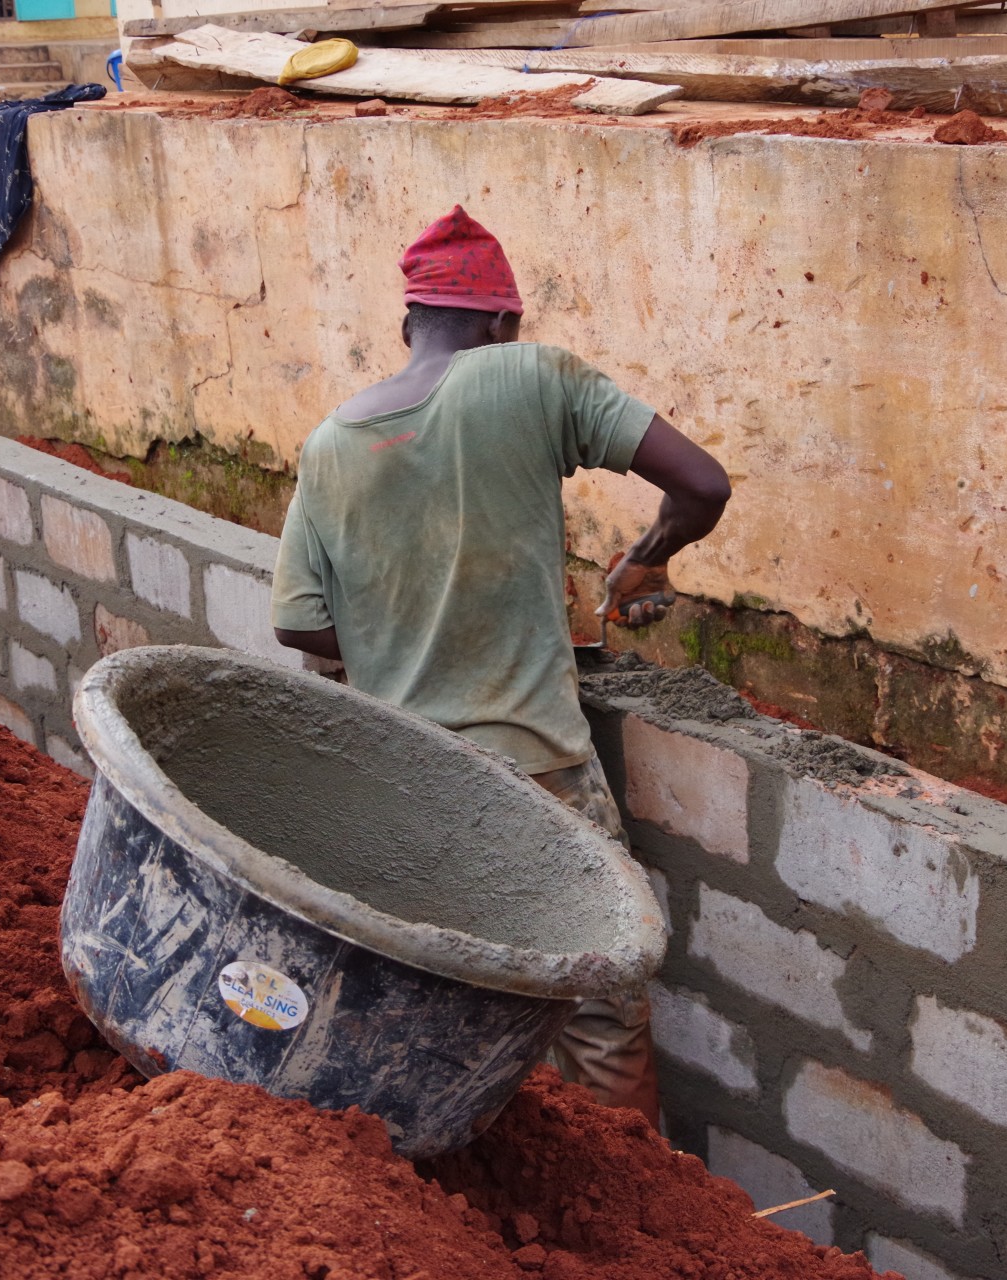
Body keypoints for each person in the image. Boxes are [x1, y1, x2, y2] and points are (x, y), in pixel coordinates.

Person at [271, 207, 732, 1125]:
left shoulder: (329, 445)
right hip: (539, 778)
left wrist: (405, 640)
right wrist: (647, 560)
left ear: (408, 324)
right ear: (502, 322)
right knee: (599, 1018)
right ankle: (632, 1203)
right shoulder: (533, 375)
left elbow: (297, 622)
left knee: (448, 1019)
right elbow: (703, 485)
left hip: (404, 786)